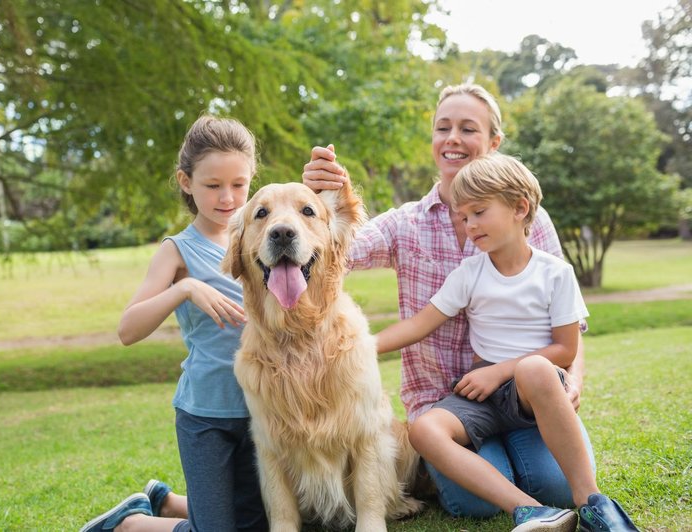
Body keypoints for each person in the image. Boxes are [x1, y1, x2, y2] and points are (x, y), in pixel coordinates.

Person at [302, 83, 595, 518]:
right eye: (443, 128)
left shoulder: (530, 220)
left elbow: (568, 322)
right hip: (448, 405)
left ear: (493, 143)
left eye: (468, 128)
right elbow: (333, 251)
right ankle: (509, 494)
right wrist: (320, 202)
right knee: (473, 504)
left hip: (526, 393)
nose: (453, 138)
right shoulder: (406, 223)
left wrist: (571, 378)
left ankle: (549, 490)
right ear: (434, 140)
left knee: (550, 484)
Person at [374, 153, 639, 531]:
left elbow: (566, 349)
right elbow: (420, 324)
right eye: (464, 217)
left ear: (519, 208)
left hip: (535, 388)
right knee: (423, 430)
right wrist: (360, 347)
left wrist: (501, 371)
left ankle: (592, 501)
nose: (469, 225)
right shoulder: (470, 273)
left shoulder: (555, 274)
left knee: (534, 369)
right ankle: (531, 511)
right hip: (485, 392)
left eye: (479, 212)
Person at [80, 115, 268, 532]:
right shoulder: (177, 251)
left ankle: (166, 502)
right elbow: (128, 330)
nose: (228, 198)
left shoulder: (259, 239)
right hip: (206, 415)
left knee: (258, 525)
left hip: (262, 411)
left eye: (239, 184)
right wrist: (184, 291)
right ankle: (130, 523)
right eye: (212, 185)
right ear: (186, 182)